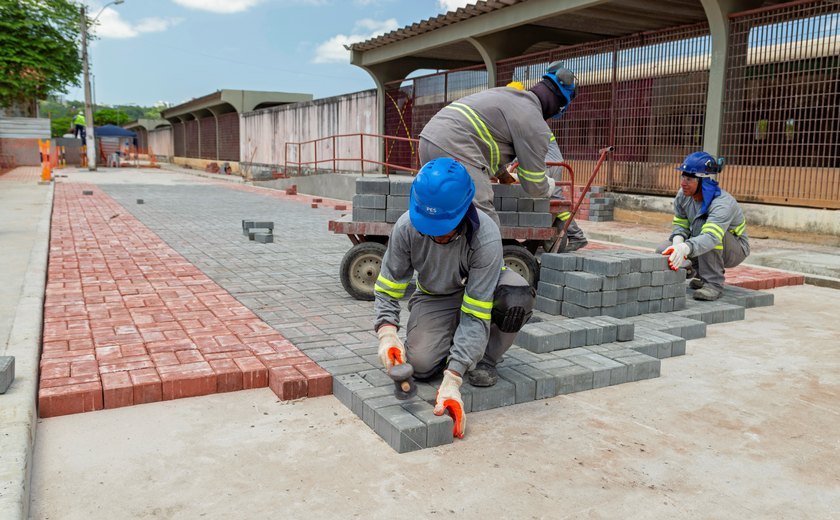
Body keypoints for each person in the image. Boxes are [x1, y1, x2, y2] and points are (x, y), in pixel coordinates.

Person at [374, 157, 536, 438]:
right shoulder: (406, 227)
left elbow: (476, 310)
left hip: (483, 291)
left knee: (516, 299)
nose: (436, 236)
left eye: (443, 228)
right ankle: (450, 340)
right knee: (421, 366)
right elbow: (388, 286)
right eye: (429, 226)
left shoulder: (485, 235)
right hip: (437, 296)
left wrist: (453, 378)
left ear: (463, 211)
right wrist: (386, 331)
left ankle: (486, 357)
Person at [418, 61, 578, 228]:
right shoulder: (535, 124)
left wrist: (502, 174)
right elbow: (534, 186)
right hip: (455, 146)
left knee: (440, 211)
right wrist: (549, 186)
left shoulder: (507, 95)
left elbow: (487, 139)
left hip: (428, 138)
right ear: (559, 105)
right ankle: (490, 254)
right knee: (484, 221)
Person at [657, 151, 750, 301]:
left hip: (734, 249)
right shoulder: (683, 196)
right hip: (702, 240)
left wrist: (686, 248)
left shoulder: (722, 203)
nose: (683, 183)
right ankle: (697, 273)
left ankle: (713, 284)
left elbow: (712, 237)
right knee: (663, 249)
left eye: (689, 179)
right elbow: (681, 224)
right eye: (683, 177)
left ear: (703, 181)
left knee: (706, 232)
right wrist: (678, 244)